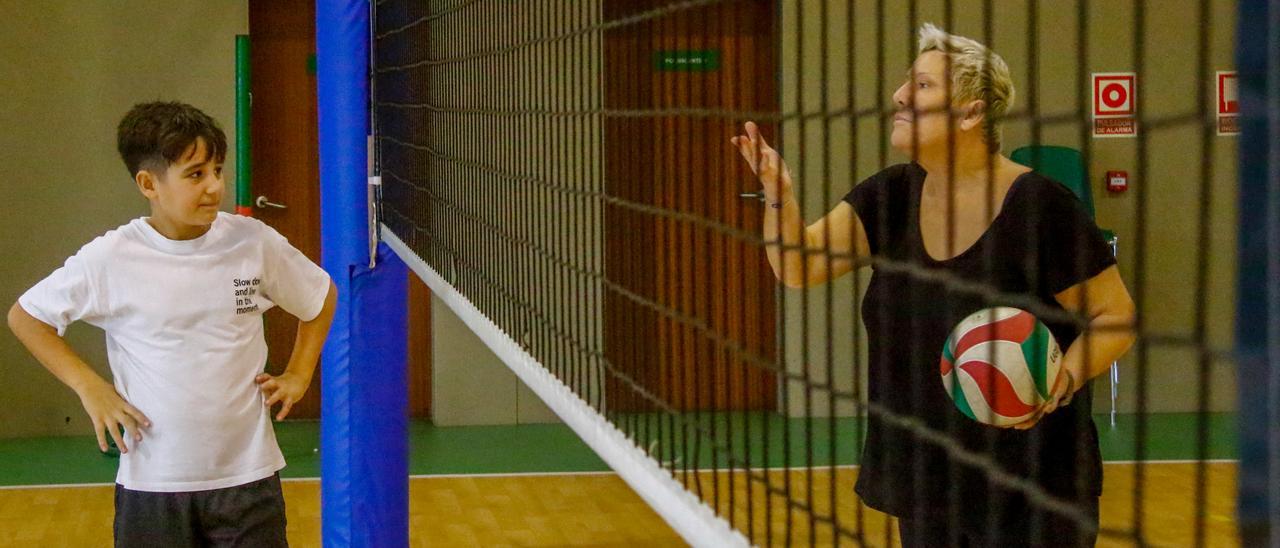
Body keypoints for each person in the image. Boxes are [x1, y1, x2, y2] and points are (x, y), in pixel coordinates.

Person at [731, 23, 1136, 547]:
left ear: (971, 111)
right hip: (925, 480)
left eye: (922, 86)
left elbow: (1116, 318)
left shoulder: (1040, 206)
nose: (899, 95)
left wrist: (1060, 384)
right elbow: (797, 267)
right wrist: (778, 194)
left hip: (1033, 487)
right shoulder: (891, 196)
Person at [7, 101, 337, 547]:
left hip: (247, 481)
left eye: (218, 170)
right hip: (153, 487)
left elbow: (319, 297)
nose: (214, 186)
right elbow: (26, 317)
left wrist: (299, 374)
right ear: (149, 183)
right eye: (195, 174)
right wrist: (90, 387)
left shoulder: (252, 241)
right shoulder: (111, 257)